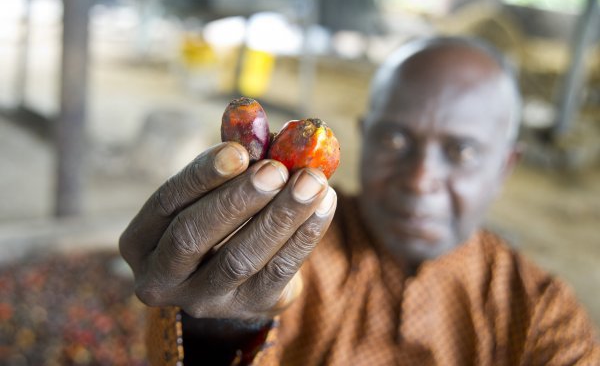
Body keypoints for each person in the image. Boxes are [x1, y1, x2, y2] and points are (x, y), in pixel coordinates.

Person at [119, 36, 600, 365]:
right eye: (394, 141)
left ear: (506, 166)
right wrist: (223, 324)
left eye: (463, 151)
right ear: (365, 139)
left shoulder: (541, 312)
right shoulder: (279, 244)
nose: (419, 179)